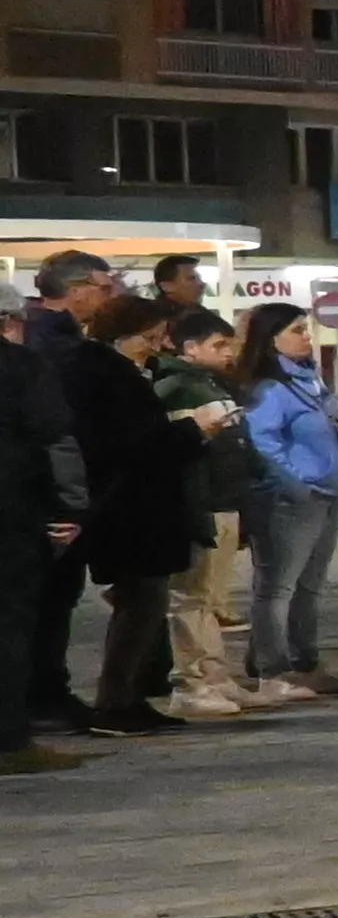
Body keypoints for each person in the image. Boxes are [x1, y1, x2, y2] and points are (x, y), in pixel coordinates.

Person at [63, 292, 199, 735]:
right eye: (150, 338)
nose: (157, 347)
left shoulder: (110, 371)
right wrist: (192, 431)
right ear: (120, 335)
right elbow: (131, 444)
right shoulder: (104, 375)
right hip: (128, 509)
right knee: (141, 603)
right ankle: (116, 701)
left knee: (144, 603)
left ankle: (126, 697)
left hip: (134, 507)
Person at [237, 306, 338, 697]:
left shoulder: (310, 380)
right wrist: (295, 484)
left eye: (307, 329)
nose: (307, 337)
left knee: (310, 585)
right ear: (271, 339)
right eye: (297, 330)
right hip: (293, 499)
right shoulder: (269, 389)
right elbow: (263, 443)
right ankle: (273, 669)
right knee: (277, 586)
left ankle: (306, 660)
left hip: (329, 492)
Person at [153, 311, 260, 719]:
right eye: (218, 345)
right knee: (190, 598)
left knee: (211, 599)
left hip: (225, 500)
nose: (227, 352)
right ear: (190, 347)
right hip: (202, 503)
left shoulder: (212, 383)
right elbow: (181, 450)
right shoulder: (176, 387)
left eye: (228, 344)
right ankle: (191, 682)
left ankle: (216, 676)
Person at [0, 308, 72, 771]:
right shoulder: (20, 365)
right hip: (11, 503)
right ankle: (9, 740)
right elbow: (51, 424)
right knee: (10, 622)